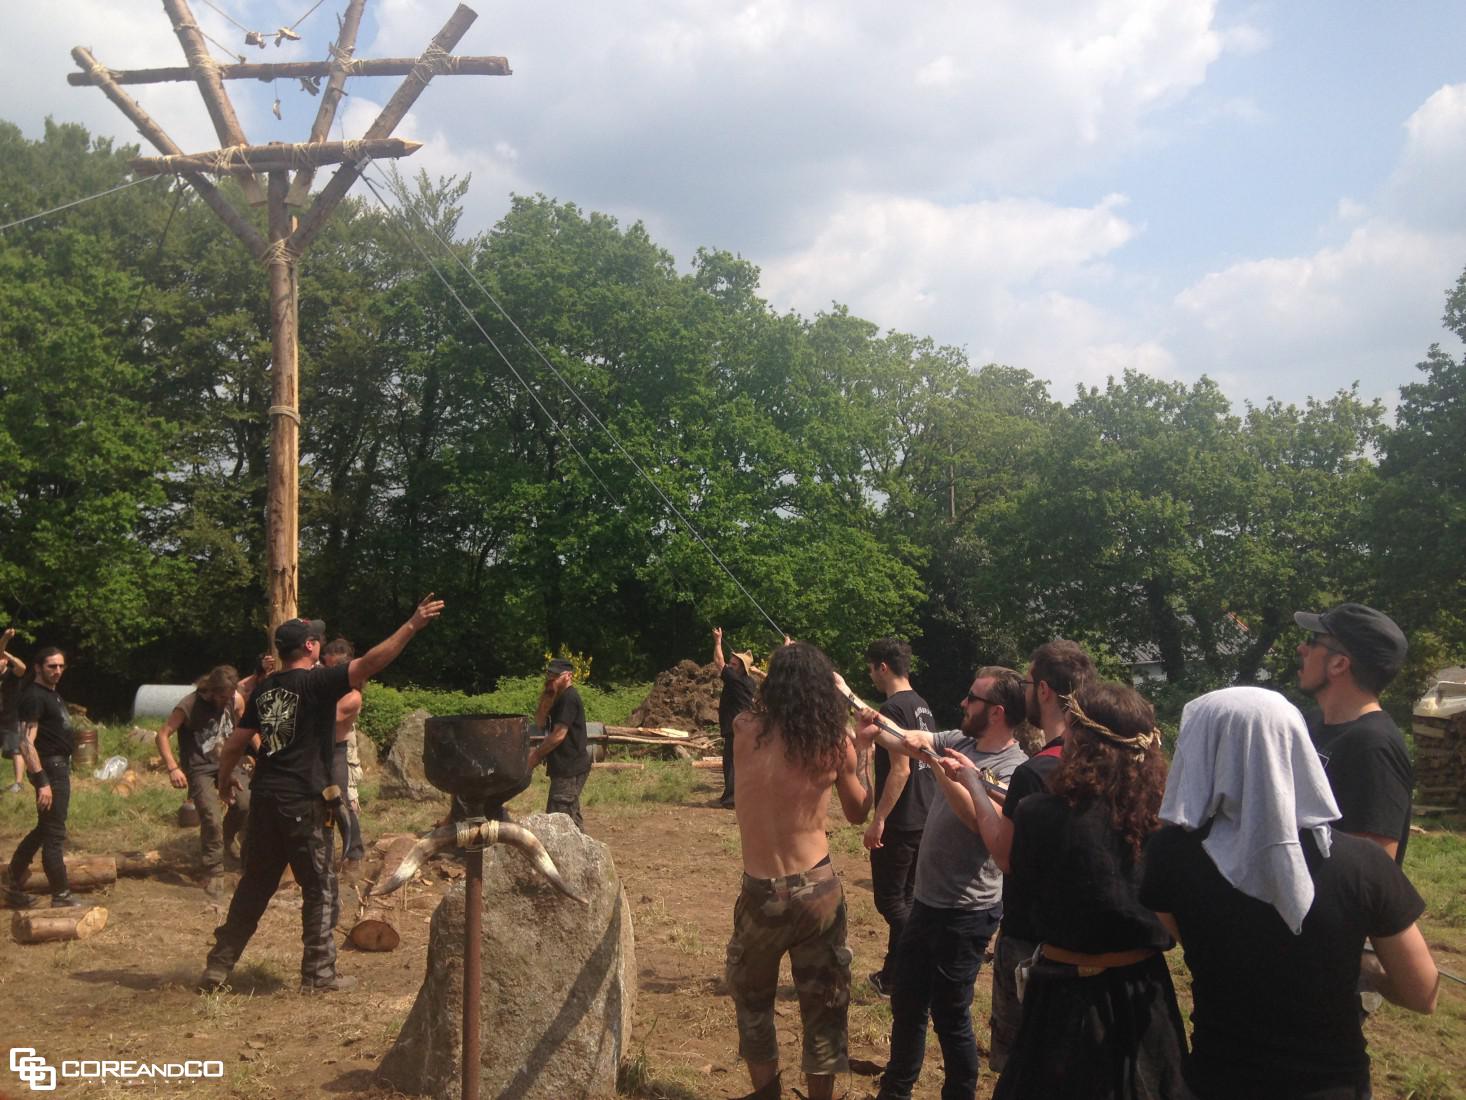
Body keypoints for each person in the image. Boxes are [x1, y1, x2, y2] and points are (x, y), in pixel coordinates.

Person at [1141, 686, 1439, 1100]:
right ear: (1296, 747)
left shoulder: (1169, 855)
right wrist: (1363, 968)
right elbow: (1422, 992)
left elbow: (1178, 934)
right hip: (1332, 1083)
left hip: (1218, 1078)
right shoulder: (1362, 865)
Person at [198, 595, 444, 994]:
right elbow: (372, 663)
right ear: (310, 647)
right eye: (317, 639)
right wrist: (412, 625)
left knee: (254, 884)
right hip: (303, 803)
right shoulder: (317, 681)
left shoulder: (265, 689)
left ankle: (218, 967)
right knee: (320, 888)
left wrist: (225, 781)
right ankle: (318, 975)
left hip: (264, 800)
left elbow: (234, 744)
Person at [980, 681, 1185, 1100]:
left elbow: (1028, 890)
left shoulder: (1039, 814)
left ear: (1079, 740)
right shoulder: (1166, 823)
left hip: (1063, 997)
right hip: (1142, 996)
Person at [854, 666, 1029, 1100]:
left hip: (968, 912)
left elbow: (975, 819)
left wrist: (935, 765)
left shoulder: (1016, 770)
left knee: (951, 1016)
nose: (963, 703)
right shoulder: (960, 741)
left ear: (997, 712)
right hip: (926, 903)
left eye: (973, 699)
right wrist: (863, 713)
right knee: (907, 1006)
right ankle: (895, 1091)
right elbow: (902, 741)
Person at [725, 641, 872, 1100]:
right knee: (825, 1006)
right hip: (817, 890)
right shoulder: (833, 742)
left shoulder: (744, 728)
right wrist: (862, 753)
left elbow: (756, 701)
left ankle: (766, 1093)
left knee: (753, 1005)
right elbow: (858, 811)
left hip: (760, 892)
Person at [948, 639, 1095, 1072]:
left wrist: (972, 785)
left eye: (1028, 683)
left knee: (1018, 1067)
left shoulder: (1036, 771)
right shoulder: (1099, 757)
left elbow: (1006, 856)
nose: (1023, 692)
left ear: (1044, 690)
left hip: (1030, 940)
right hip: (1082, 942)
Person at [1294, 603, 1414, 862]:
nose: (1301, 649)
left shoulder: (1374, 746)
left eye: (1313, 641)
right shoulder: (1306, 724)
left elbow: (1372, 874)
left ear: (1339, 664)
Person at [861, 637, 936, 998]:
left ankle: (927, 961)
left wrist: (879, 820)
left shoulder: (891, 708)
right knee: (906, 899)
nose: (870, 675)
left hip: (903, 820)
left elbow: (901, 770)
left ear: (883, 667)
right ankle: (893, 978)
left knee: (890, 902)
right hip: (926, 815)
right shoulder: (922, 705)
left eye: (871, 668)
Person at [156, 665, 244, 893]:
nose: (226, 701)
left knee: (246, 805)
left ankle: (226, 839)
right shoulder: (189, 705)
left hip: (228, 763)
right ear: (212, 691)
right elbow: (162, 735)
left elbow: (239, 728)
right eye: (222, 697)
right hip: (200, 768)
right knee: (210, 816)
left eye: (229, 696)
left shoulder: (234, 699)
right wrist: (173, 767)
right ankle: (213, 868)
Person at [6, 647, 81, 909]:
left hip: (57, 768)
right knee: (54, 834)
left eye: (61, 666)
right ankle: (61, 895)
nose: (58, 671)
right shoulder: (34, 697)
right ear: (38, 668)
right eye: (52, 666)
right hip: (49, 770)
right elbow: (26, 743)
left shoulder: (50, 693)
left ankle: (11, 880)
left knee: (44, 829)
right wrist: (42, 782)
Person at [528, 658, 592, 830]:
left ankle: (579, 854)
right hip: (565, 767)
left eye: (556, 675)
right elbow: (540, 722)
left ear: (568, 676)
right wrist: (547, 695)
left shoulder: (569, 698)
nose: (551, 678)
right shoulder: (558, 697)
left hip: (570, 767)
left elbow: (558, 735)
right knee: (568, 816)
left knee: (558, 821)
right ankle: (586, 853)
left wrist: (535, 755)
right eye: (549, 674)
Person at [322, 637, 365, 874]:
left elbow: (328, 716)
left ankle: (355, 853)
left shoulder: (352, 697)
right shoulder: (332, 689)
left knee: (340, 803)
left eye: (330, 670)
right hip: (318, 750)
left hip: (336, 752)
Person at [712, 626, 760, 808]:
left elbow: (718, 661)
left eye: (734, 665)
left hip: (736, 727)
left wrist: (717, 641)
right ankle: (739, 797)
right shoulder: (749, 681)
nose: (730, 666)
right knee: (739, 763)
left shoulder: (735, 679)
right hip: (744, 726)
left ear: (741, 669)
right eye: (731, 664)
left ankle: (731, 799)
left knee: (731, 763)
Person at [1, 630, 29, 793]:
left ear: (5, 661)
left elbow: (23, 667)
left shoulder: (12, 674)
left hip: (12, 718)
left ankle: (18, 783)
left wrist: (5, 648)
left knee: (15, 750)